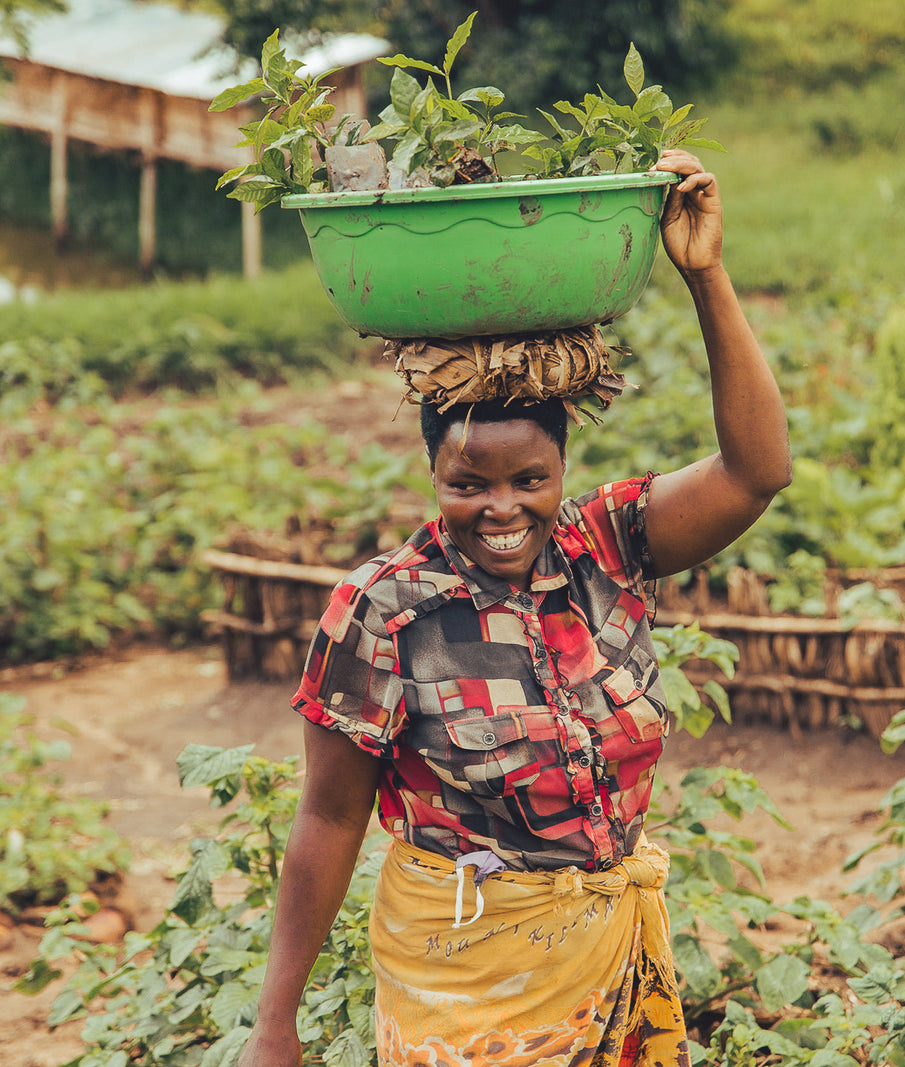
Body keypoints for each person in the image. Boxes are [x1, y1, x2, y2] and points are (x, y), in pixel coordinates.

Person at [238, 149, 792, 1067]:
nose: (502, 510)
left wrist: (707, 276)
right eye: (469, 484)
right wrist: (274, 1023)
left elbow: (756, 471)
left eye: (530, 479)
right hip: (467, 991)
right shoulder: (385, 611)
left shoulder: (610, 544)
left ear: (562, 467)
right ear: (431, 471)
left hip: (608, 962)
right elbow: (329, 820)